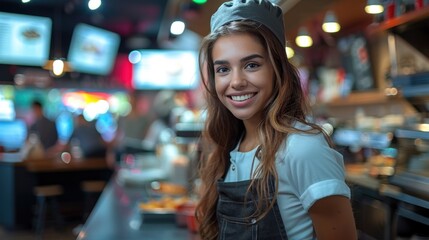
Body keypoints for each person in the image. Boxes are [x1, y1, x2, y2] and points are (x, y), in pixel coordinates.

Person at [195, 1, 357, 239]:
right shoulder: (228, 147)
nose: (236, 81)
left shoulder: (302, 148)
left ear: (277, 69)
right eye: (223, 69)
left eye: (251, 65)